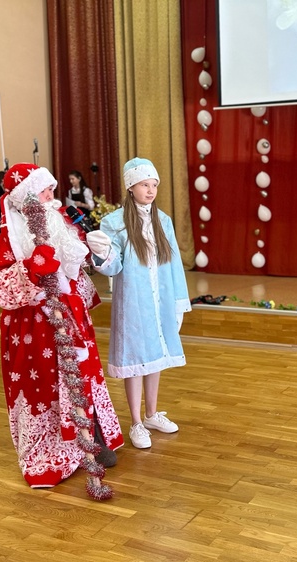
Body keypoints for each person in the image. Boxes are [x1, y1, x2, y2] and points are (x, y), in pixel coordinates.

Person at [0, 163, 123, 500]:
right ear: (27, 197)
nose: (52, 194)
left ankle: (93, 439)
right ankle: (51, 455)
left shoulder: (61, 221)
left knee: (83, 378)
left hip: (73, 319)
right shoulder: (10, 237)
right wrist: (31, 269)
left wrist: (97, 253)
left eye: (51, 188)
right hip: (35, 326)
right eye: (44, 189)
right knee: (47, 384)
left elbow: (77, 268)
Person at [86, 158, 191, 449]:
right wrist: (102, 253)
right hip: (134, 302)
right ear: (131, 186)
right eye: (145, 184)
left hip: (160, 300)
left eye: (154, 184)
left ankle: (151, 414)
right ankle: (135, 422)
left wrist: (178, 302)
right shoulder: (115, 222)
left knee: (155, 355)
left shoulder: (163, 221)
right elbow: (113, 266)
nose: (151, 190)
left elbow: (174, 265)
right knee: (135, 359)